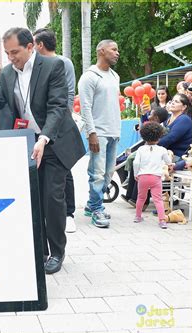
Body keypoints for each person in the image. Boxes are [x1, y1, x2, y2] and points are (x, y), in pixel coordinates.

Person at [0, 27, 85, 274]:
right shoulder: (8, 73)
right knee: (33, 197)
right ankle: (38, 251)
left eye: (15, 52)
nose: (11, 57)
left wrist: (44, 138)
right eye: (8, 53)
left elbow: (57, 108)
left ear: (30, 46)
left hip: (54, 141)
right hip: (28, 141)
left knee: (52, 198)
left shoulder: (53, 67)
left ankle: (57, 252)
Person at [34, 28, 77, 233]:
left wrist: (57, 123)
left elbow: (66, 95)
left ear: (39, 45)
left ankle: (69, 214)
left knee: (64, 175)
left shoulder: (62, 62)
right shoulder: (35, 66)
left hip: (59, 129)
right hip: (43, 131)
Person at [78, 39, 121, 228]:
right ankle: (96, 208)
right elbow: (85, 107)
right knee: (97, 173)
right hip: (99, 132)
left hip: (113, 131)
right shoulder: (89, 76)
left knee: (108, 173)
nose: (117, 53)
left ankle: (91, 204)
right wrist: (91, 133)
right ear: (101, 51)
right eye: (113, 49)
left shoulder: (114, 76)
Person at [123, 94, 192, 205]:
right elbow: (153, 128)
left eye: (177, 101)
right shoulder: (169, 119)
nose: (173, 103)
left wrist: (152, 144)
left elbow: (171, 138)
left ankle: (141, 200)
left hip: (176, 155)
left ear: (183, 107)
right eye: (173, 100)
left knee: (145, 161)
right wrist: (144, 114)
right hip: (163, 151)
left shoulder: (184, 119)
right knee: (137, 159)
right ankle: (131, 195)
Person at [133, 122, 171, 228]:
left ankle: (138, 216)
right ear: (159, 137)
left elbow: (136, 163)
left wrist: (136, 174)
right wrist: (170, 164)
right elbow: (168, 162)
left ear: (144, 136)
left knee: (141, 197)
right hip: (156, 177)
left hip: (143, 177)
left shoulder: (140, 149)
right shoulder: (162, 150)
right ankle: (162, 220)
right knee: (158, 199)